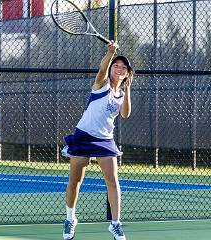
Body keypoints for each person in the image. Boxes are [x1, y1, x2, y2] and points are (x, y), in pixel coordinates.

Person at [61, 41, 134, 240]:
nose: (119, 68)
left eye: (123, 67)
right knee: (75, 181)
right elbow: (102, 68)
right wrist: (110, 53)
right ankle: (70, 219)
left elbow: (125, 114)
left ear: (128, 73)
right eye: (116, 65)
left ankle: (116, 224)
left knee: (113, 181)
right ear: (111, 69)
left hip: (104, 140)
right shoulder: (101, 84)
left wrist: (127, 90)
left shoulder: (120, 94)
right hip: (84, 135)